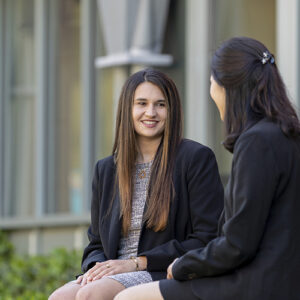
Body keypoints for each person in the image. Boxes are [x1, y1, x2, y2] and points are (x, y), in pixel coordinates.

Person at [115, 37, 300, 300]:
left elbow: (238, 244)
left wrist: (183, 265)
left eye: (212, 83)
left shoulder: (256, 142)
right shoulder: (288, 136)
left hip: (256, 283)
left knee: (127, 298)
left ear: (227, 87)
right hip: (282, 280)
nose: (211, 91)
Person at [48, 68, 224, 300]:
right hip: (114, 272)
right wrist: (98, 268)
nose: (151, 112)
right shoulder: (107, 169)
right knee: (60, 297)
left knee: (92, 294)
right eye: (142, 103)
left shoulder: (195, 158)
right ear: (127, 109)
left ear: (171, 110)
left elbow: (206, 237)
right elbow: (96, 243)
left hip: (163, 271)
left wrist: (136, 263)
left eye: (160, 104)